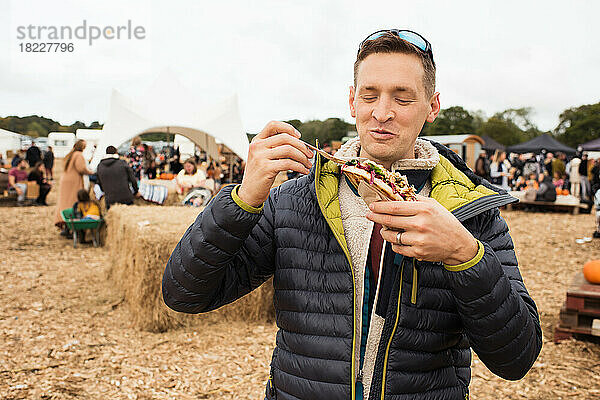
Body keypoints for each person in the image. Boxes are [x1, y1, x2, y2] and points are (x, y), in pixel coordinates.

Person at [162, 29, 541, 399]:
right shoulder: (295, 202)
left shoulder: (473, 216)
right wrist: (242, 200)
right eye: (370, 95)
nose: (382, 113)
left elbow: (515, 360)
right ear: (351, 100)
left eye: (403, 98)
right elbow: (184, 294)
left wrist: (464, 255)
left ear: (433, 106)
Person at [54, 140, 94, 233]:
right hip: (73, 181)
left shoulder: (70, 154)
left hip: (66, 180)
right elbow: (81, 168)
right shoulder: (78, 155)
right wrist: (91, 172)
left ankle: (64, 223)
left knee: (64, 202)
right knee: (72, 202)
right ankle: (69, 226)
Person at [96, 146, 139, 210]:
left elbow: (99, 183)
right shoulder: (122, 163)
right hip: (126, 198)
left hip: (110, 200)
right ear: (116, 153)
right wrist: (136, 191)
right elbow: (133, 179)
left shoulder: (100, 166)